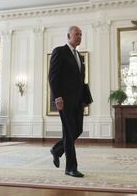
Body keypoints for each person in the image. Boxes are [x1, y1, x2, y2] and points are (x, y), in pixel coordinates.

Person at [48, 26, 86, 178]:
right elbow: (53, 76)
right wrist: (57, 97)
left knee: (78, 130)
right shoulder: (59, 51)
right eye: (77, 34)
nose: (79, 36)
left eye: (81, 34)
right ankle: (71, 168)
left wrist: (85, 99)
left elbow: (81, 81)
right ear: (68, 35)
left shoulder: (79, 55)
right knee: (70, 133)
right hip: (64, 101)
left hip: (78, 101)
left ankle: (57, 150)